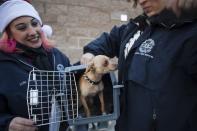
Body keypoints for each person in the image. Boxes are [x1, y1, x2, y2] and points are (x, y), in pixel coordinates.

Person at [80, 0, 197, 131]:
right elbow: (111, 39)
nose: (141, 1)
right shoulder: (137, 26)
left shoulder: (190, 34)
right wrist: (91, 52)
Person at [0, 0, 70, 131]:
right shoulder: (3, 65)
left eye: (34, 23)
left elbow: (74, 87)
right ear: (8, 34)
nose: (32, 32)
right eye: (21, 27)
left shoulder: (57, 56)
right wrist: (7, 123)